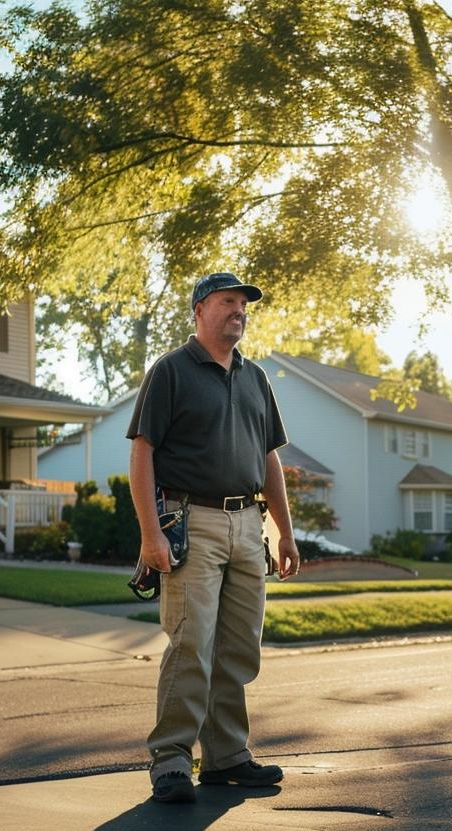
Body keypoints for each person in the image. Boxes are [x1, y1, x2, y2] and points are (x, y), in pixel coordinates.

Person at [127, 271, 301, 804]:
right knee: (191, 644)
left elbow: (268, 458)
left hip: (248, 523)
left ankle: (226, 757)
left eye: (244, 304)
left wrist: (285, 532)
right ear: (200, 308)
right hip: (191, 521)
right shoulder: (171, 371)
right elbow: (142, 453)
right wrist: (151, 535)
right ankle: (171, 760)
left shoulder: (255, 378)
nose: (239, 311)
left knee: (238, 647)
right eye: (228, 301)